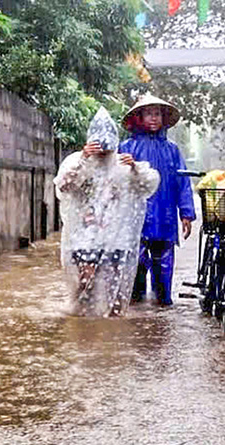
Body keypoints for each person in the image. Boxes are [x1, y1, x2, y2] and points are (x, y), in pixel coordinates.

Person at [85, 95, 195, 306]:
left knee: (164, 270)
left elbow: (182, 184)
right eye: (148, 114)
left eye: (157, 114)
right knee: (135, 268)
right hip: (135, 219)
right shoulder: (127, 147)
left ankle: (161, 312)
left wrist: (187, 214)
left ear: (163, 118)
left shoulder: (172, 150)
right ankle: (137, 311)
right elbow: (112, 181)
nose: (153, 118)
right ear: (139, 118)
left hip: (166, 217)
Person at [53, 107, 160, 317]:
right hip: (86, 235)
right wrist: (83, 158)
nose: (103, 153)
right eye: (99, 148)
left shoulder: (122, 165)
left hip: (115, 236)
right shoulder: (78, 161)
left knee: (114, 286)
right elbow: (64, 186)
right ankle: (80, 321)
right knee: (84, 283)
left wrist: (135, 168)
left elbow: (147, 186)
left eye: (107, 149)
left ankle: (110, 326)